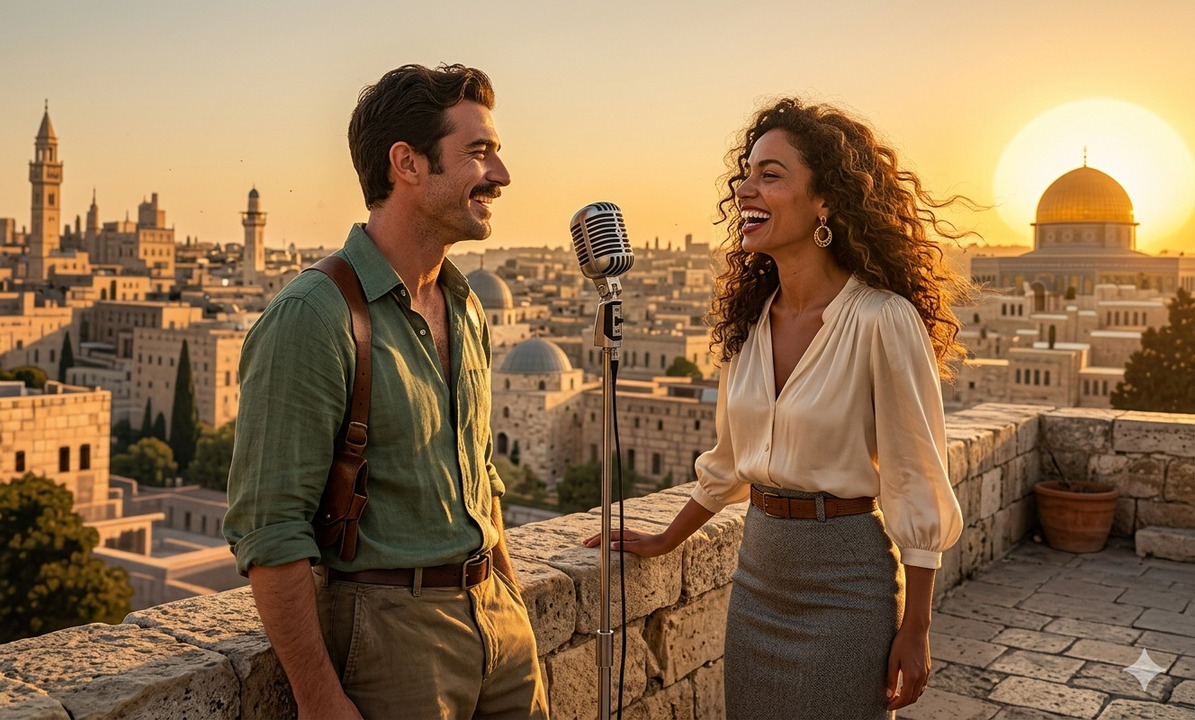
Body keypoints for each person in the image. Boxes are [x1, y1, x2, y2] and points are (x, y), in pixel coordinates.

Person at [585, 97, 967, 719]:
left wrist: (916, 628)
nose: (745, 189)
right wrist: (663, 540)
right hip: (758, 577)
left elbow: (916, 477)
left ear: (826, 202)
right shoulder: (751, 326)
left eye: (771, 174)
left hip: (845, 584)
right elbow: (730, 465)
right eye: (746, 174)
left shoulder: (880, 319)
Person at [224, 64, 548, 720]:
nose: (501, 175)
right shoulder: (314, 314)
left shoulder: (465, 306)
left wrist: (507, 600)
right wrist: (320, 700)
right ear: (406, 163)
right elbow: (270, 528)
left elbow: (480, 480)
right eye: (478, 153)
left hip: (499, 629)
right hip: (393, 641)